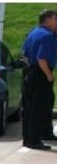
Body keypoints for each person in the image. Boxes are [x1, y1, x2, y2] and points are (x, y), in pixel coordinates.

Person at [22, 10, 57, 150]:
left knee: (36, 105)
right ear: (47, 19)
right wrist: (48, 75)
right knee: (39, 107)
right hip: (41, 72)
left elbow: (25, 54)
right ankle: (33, 140)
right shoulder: (47, 36)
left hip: (31, 71)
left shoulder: (34, 32)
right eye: (55, 19)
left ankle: (43, 133)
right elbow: (41, 58)